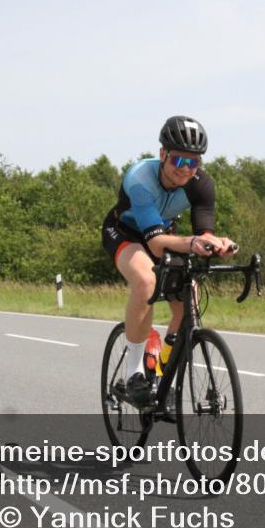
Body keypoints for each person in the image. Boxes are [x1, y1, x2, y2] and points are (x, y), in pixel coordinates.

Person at [102, 116, 236, 406]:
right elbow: (153, 243)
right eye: (178, 161)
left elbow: (204, 234)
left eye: (193, 163)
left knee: (190, 300)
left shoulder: (201, 185)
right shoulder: (140, 179)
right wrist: (193, 243)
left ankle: (161, 372)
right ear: (162, 154)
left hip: (166, 235)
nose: (185, 170)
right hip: (125, 232)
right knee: (146, 280)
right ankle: (134, 373)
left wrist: (218, 245)